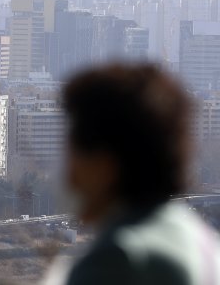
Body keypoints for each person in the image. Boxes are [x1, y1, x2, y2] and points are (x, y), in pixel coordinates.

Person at [43, 63, 220, 284]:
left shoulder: (117, 261)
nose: (68, 174)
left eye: (72, 154)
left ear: (104, 166)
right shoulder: (205, 245)